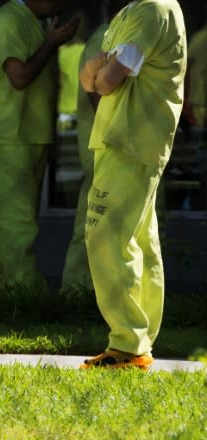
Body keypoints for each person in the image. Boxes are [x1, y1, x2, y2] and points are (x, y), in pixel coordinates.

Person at [78, 0, 186, 369]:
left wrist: (103, 66)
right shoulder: (133, 11)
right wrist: (103, 67)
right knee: (141, 239)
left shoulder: (152, 10)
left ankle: (128, 343)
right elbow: (87, 78)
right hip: (122, 139)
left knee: (106, 234)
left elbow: (104, 80)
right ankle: (137, 342)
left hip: (132, 141)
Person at [0, 0, 79, 293]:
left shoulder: (35, 21)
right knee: (19, 226)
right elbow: (19, 76)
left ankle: (1, 292)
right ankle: (27, 297)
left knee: (13, 225)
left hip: (29, 135)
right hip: (9, 135)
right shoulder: (8, 19)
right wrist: (51, 44)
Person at [61, 1, 126, 293]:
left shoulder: (111, 36)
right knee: (92, 227)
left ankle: (84, 294)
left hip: (110, 148)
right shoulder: (108, 38)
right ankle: (78, 293)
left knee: (96, 226)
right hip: (108, 150)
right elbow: (99, 98)